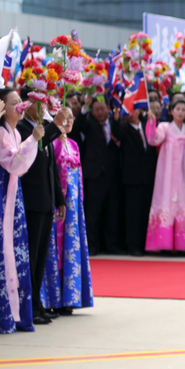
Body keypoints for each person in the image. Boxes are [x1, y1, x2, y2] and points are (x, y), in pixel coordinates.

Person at [17, 87, 69, 324]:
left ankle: (37, 304)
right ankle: (30, 307)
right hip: (31, 201)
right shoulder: (23, 129)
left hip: (46, 201)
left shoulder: (40, 130)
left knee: (40, 258)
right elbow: (32, 153)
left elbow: (51, 168)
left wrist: (59, 199)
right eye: (36, 102)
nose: (41, 108)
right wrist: (55, 126)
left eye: (44, 103)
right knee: (30, 256)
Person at [0, 89, 38, 332]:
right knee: (4, 250)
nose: (20, 105)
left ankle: (16, 313)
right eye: (14, 102)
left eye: (21, 100)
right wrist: (34, 140)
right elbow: (13, 162)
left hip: (12, 198)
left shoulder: (16, 132)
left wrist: (31, 140)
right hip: (1, 201)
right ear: (2, 108)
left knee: (16, 250)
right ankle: (4, 314)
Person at [42, 109, 93, 315]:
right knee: (56, 249)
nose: (69, 120)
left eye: (72, 117)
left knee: (71, 248)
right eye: (65, 117)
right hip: (58, 205)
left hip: (74, 208)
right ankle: (55, 298)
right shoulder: (51, 143)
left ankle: (71, 297)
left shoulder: (73, 144)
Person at [145, 99, 185, 253]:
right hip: (167, 172)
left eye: (183, 109)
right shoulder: (165, 127)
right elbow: (153, 139)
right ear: (171, 111)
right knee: (166, 200)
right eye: (177, 109)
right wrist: (152, 122)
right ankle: (165, 244)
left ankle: (183, 245)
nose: (180, 112)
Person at [76, 98, 123, 256]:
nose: (100, 112)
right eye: (96, 109)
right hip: (95, 175)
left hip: (113, 175)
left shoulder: (115, 122)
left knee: (113, 212)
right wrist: (85, 106)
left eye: (103, 108)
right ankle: (93, 246)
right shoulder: (89, 124)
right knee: (93, 213)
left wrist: (116, 119)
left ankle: (112, 245)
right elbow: (79, 123)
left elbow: (120, 136)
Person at [118, 108, 159, 256]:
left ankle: (145, 244)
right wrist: (117, 118)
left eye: (132, 109)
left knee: (146, 213)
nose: (130, 113)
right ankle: (133, 245)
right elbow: (116, 135)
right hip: (132, 178)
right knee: (133, 214)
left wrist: (152, 121)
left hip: (149, 177)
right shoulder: (122, 128)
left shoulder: (147, 124)